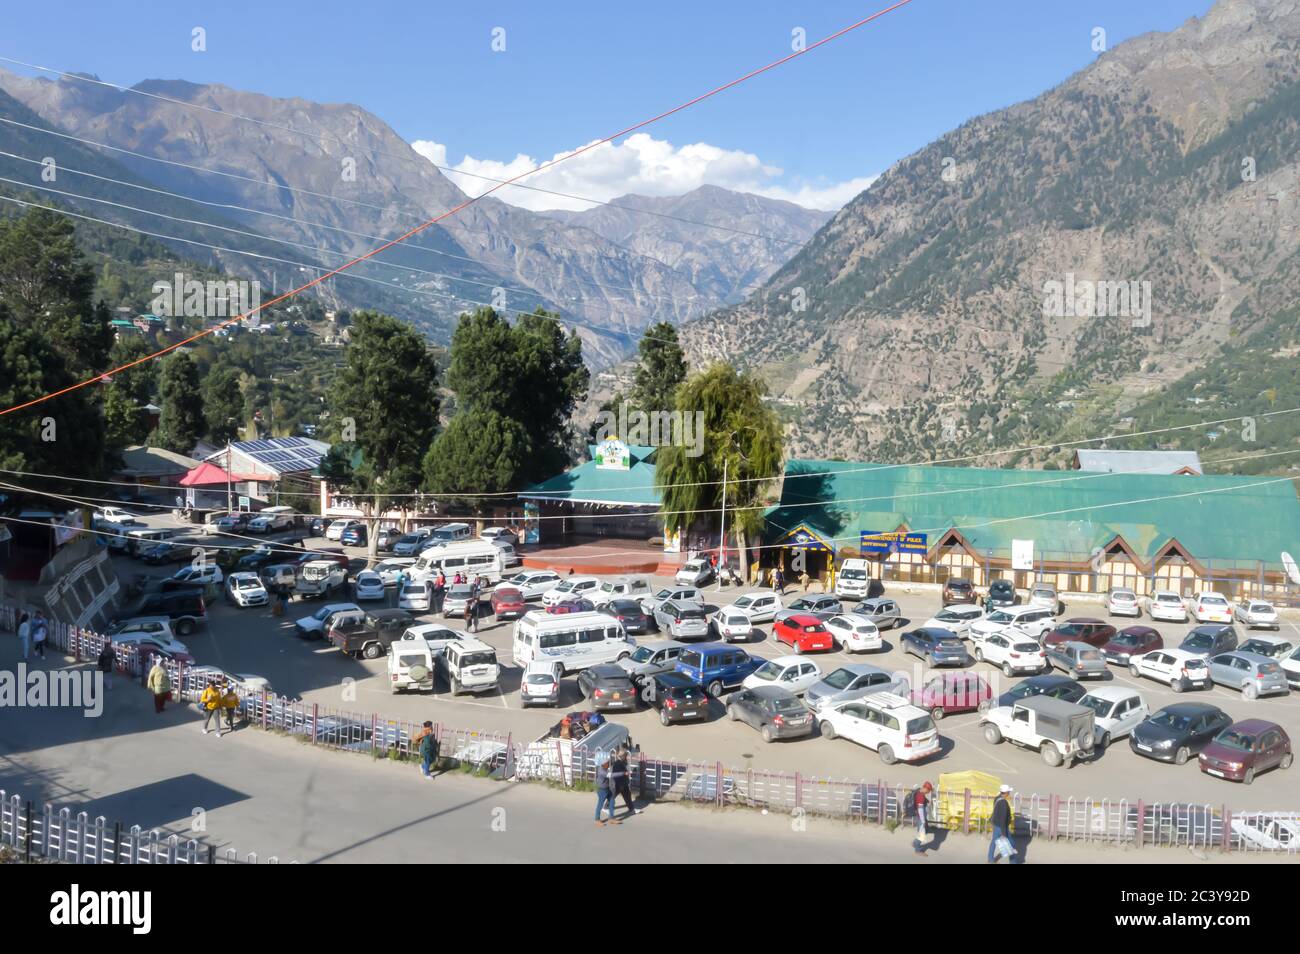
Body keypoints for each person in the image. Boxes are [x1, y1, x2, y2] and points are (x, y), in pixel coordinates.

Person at [611, 748, 639, 818]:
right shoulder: (617, 763)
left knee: (627, 796)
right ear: (622, 756)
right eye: (625, 755)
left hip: (623, 783)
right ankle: (606, 806)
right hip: (620, 783)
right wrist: (623, 776)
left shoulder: (621, 762)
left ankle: (632, 809)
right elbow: (616, 775)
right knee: (614, 795)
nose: (626, 757)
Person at [989, 784, 1015, 863]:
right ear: (1006, 793)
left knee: (994, 841)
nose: (1009, 793)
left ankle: (990, 859)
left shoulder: (997, 798)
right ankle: (1013, 862)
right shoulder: (1004, 803)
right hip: (1002, 827)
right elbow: (1003, 819)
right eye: (1009, 792)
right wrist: (1003, 833)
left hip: (996, 824)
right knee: (1011, 844)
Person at [594, 755, 618, 825]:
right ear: (604, 764)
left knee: (612, 801)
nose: (609, 764)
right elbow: (611, 775)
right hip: (602, 790)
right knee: (600, 804)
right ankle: (597, 819)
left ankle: (611, 818)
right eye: (608, 763)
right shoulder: (602, 771)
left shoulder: (605, 768)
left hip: (607, 788)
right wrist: (621, 773)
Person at [913, 781, 934, 854]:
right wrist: (923, 821)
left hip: (920, 817)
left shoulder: (919, 792)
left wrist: (927, 801)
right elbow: (920, 809)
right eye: (928, 791)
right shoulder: (921, 796)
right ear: (926, 788)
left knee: (924, 830)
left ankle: (915, 843)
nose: (928, 792)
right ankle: (917, 850)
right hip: (920, 818)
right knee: (922, 835)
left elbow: (923, 801)